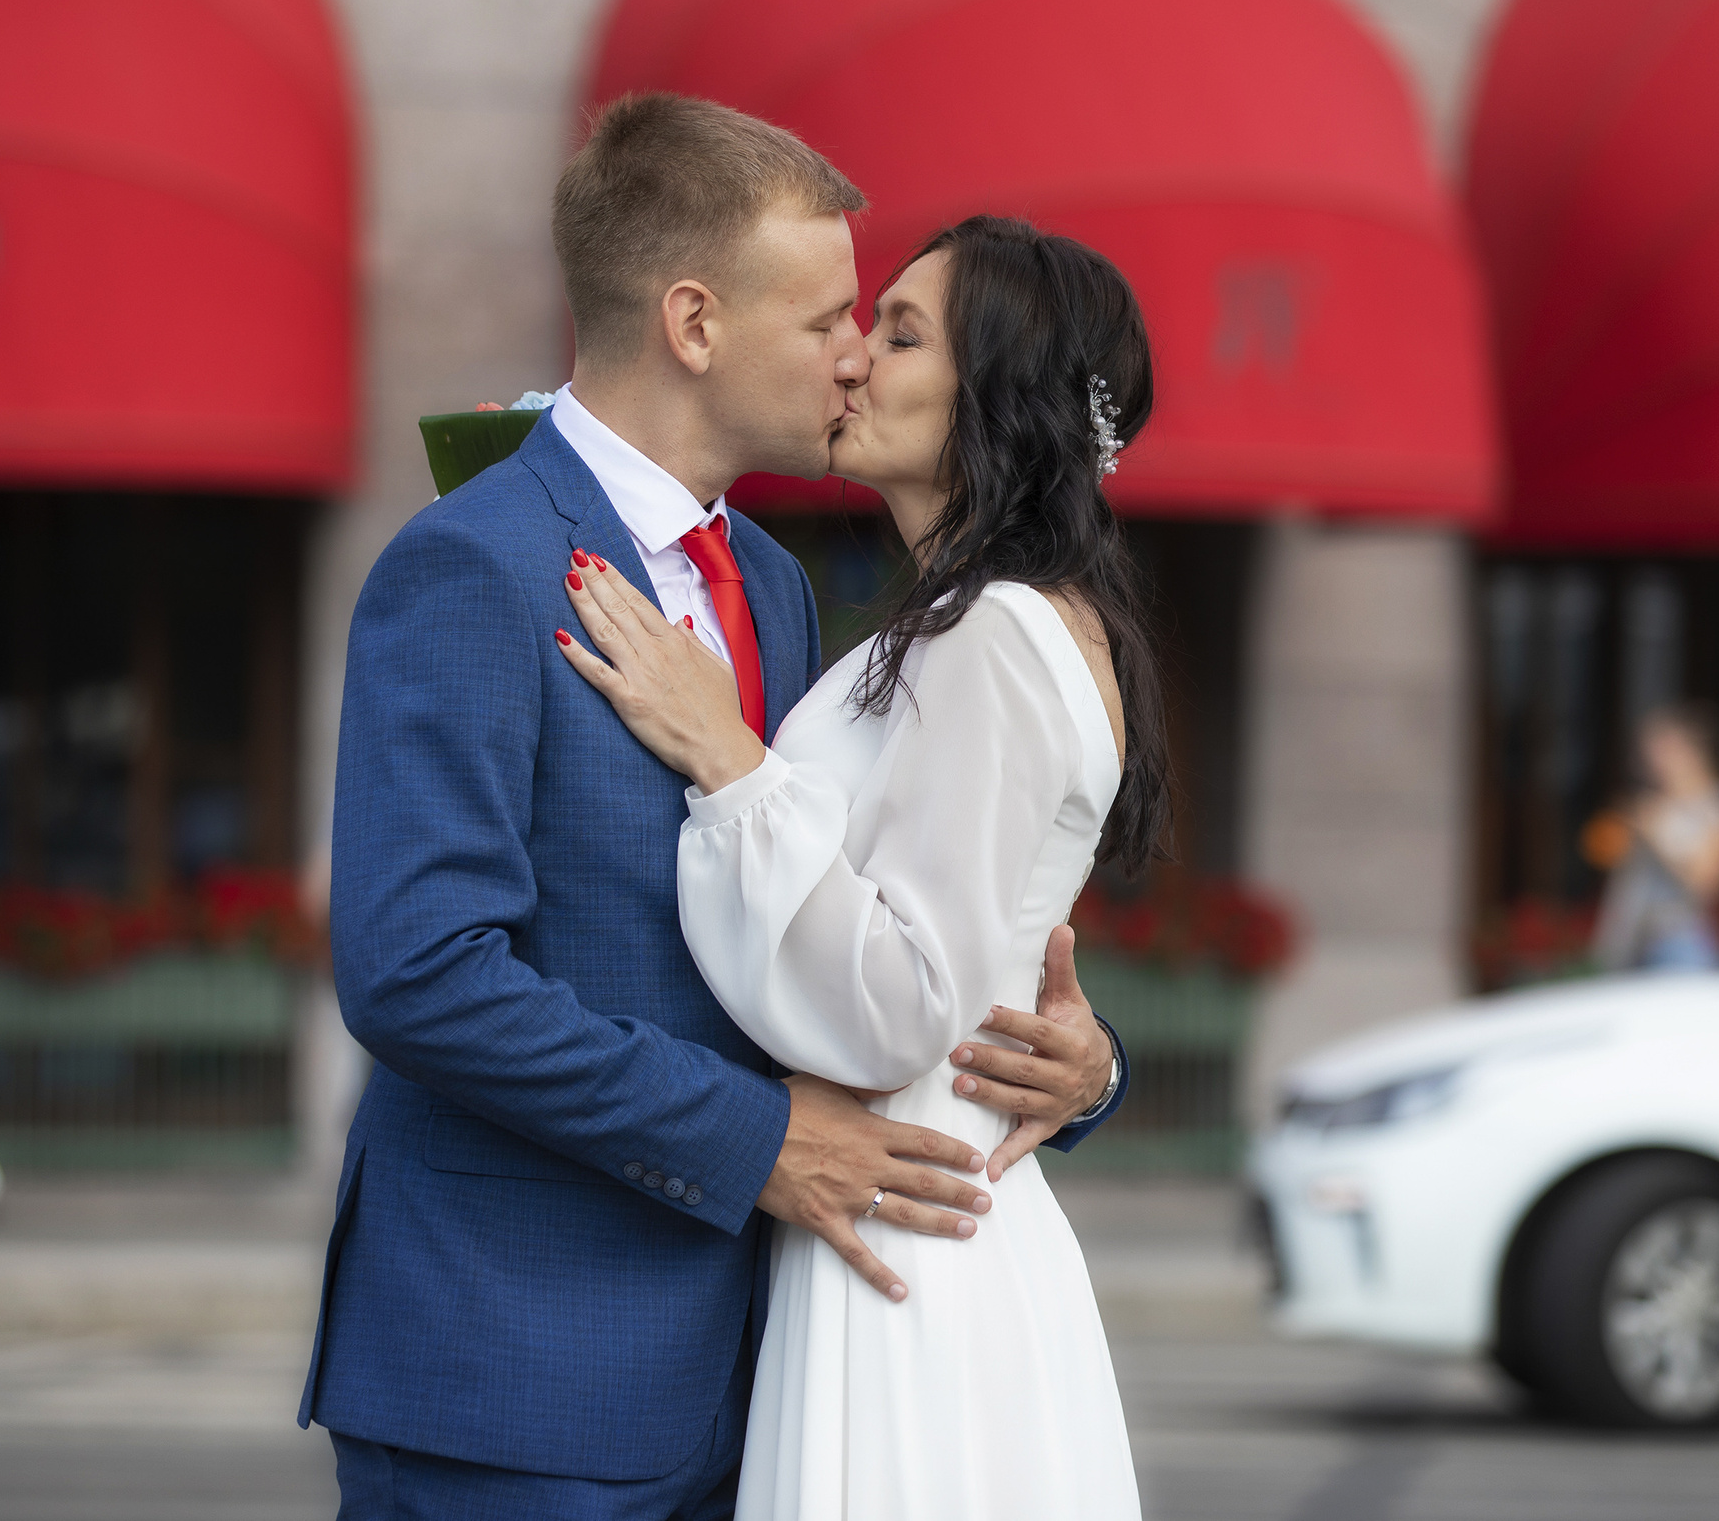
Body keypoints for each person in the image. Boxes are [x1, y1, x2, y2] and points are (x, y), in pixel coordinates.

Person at [303, 93, 1130, 1519]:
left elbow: (848, 912)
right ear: (694, 323)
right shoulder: (470, 565)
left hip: (772, 1372)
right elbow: (419, 971)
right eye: (826, 318)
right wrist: (754, 1140)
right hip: (522, 1364)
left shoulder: (781, 579)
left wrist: (1072, 1065)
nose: (855, 351)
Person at [557, 211, 1163, 1517]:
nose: (853, 360)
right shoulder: (994, 617)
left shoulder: (995, 630)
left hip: (903, 1214)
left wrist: (731, 757)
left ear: (997, 391)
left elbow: (906, 1002)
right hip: (910, 1201)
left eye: (897, 331)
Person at [1589, 702, 1719, 973]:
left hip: (1679, 944)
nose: (1653, 763)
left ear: (1691, 751)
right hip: (1630, 941)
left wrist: (1658, 834)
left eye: (1662, 752)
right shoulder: (1651, 802)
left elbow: (1708, 884)